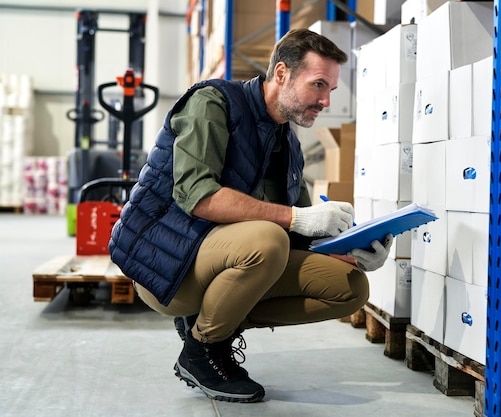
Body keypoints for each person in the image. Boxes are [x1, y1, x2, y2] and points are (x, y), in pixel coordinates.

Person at [108, 28, 392, 404]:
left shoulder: (286, 141)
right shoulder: (213, 103)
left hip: (227, 262)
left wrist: (351, 249)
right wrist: (298, 219)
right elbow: (198, 196)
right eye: (318, 85)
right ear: (281, 74)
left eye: (331, 91)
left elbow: (300, 234)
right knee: (268, 238)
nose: (325, 100)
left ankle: (214, 322)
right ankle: (202, 350)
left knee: (349, 287)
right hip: (167, 266)